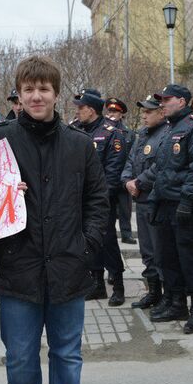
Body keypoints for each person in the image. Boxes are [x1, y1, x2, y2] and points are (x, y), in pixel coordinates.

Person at [0, 55, 109, 384]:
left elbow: (98, 200)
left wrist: (87, 247)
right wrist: (2, 245)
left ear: (56, 93)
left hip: (69, 266)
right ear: (18, 94)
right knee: (19, 355)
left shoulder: (79, 144)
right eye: (29, 89)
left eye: (44, 89)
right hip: (20, 265)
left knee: (66, 353)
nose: (37, 96)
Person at [145, 84, 193, 334]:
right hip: (165, 203)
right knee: (167, 257)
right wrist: (153, 200)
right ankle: (177, 304)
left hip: (185, 206)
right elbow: (161, 170)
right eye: (161, 100)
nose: (162, 103)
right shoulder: (169, 129)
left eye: (167, 99)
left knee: (188, 258)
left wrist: (187, 201)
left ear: (183, 101)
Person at [72, 89, 127, 306]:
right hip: (78, 199)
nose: (77, 111)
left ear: (92, 109)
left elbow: (113, 171)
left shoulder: (112, 132)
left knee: (107, 241)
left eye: (81, 107)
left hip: (102, 199)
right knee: (89, 240)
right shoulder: (74, 131)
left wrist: (101, 197)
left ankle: (118, 284)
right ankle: (96, 284)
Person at [123, 95, 166, 309]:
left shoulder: (166, 134)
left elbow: (160, 165)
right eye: (143, 112)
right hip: (141, 200)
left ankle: (167, 296)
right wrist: (127, 180)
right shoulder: (142, 135)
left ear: (162, 112)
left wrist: (139, 182)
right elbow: (131, 160)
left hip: (156, 201)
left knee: (161, 250)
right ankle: (154, 291)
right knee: (147, 250)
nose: (144, 115)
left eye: (149, 112)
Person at [105, 97, 137, 245]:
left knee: (125, 208)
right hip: (107, 177)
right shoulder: (102, 131)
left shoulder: (128, 133)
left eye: (115, 111)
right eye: (110, 110)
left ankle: (126, 233)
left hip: (123, 176)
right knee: (107, 208)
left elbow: (132, 155)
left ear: (121, 114)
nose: (112, 114)